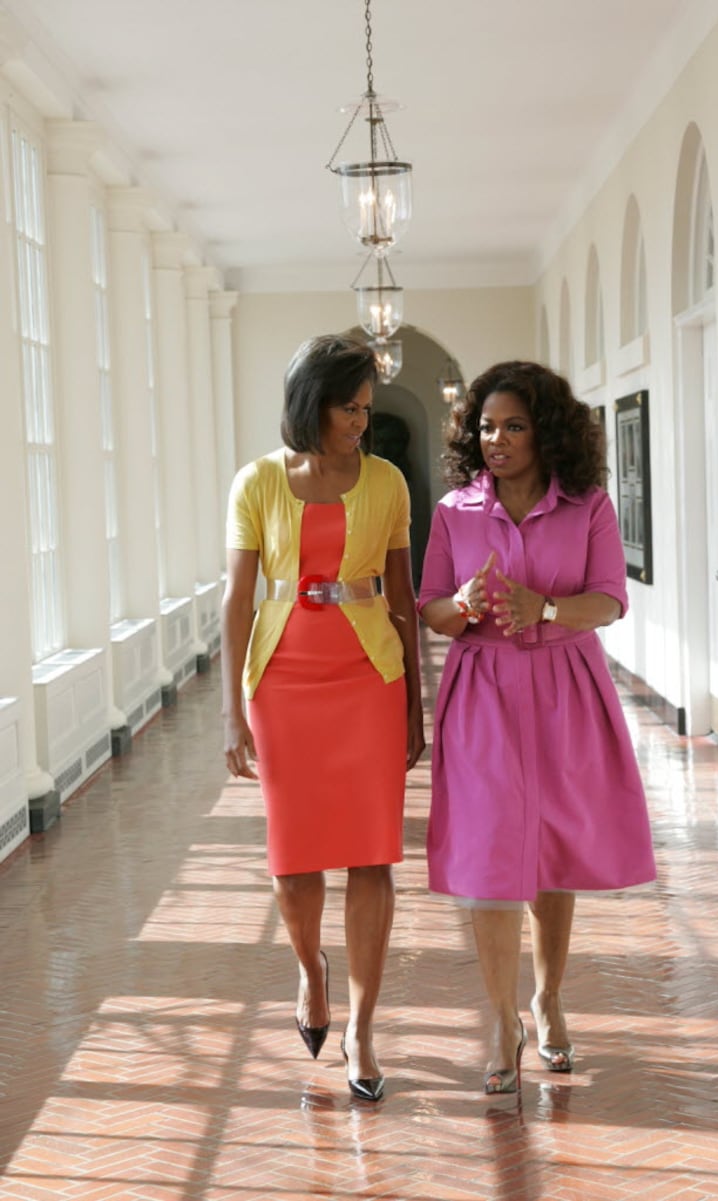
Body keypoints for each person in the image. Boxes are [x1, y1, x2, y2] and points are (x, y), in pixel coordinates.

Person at [418, 360, 656, 1095]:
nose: (497, 439)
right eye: (487, 426)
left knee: (549, 848)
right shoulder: (454, 509)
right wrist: (460, 602)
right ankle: (500, 1019)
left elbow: (612, 600)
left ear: (544, 429)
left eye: (514, 425)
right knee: (492, 853)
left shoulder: (587, 504)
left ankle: (547, 998)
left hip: (564, 687)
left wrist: (544, 608)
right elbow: (429, 608)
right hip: (483, 690)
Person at [221, 334, 425, 1102]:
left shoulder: (389, 483)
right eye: (349, 407)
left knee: (373, 855)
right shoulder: (258, 482)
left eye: (368, 409)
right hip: (281, 683)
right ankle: (311, 973)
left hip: (367, 677)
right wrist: (230, 714)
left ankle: (364, 1028)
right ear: (313, 404)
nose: (361, 423)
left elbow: (402, 601)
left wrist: (414, 706)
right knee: (294, 858)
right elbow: (238, 599)